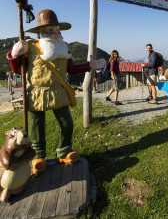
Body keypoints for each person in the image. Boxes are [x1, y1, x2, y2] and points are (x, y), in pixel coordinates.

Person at [7, 9, 106, 174]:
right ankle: (38, 156)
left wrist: (89, 65)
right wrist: (14, 55)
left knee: (66, 123)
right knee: (36, 126)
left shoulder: (63, 47)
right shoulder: (30, 47)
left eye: (57, 29)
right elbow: (19, 70)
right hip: (36, 93)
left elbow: (72, 69)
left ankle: (64, 151)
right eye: (50, 30)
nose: (55, 33)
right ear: (40, 32)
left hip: (58, 91)